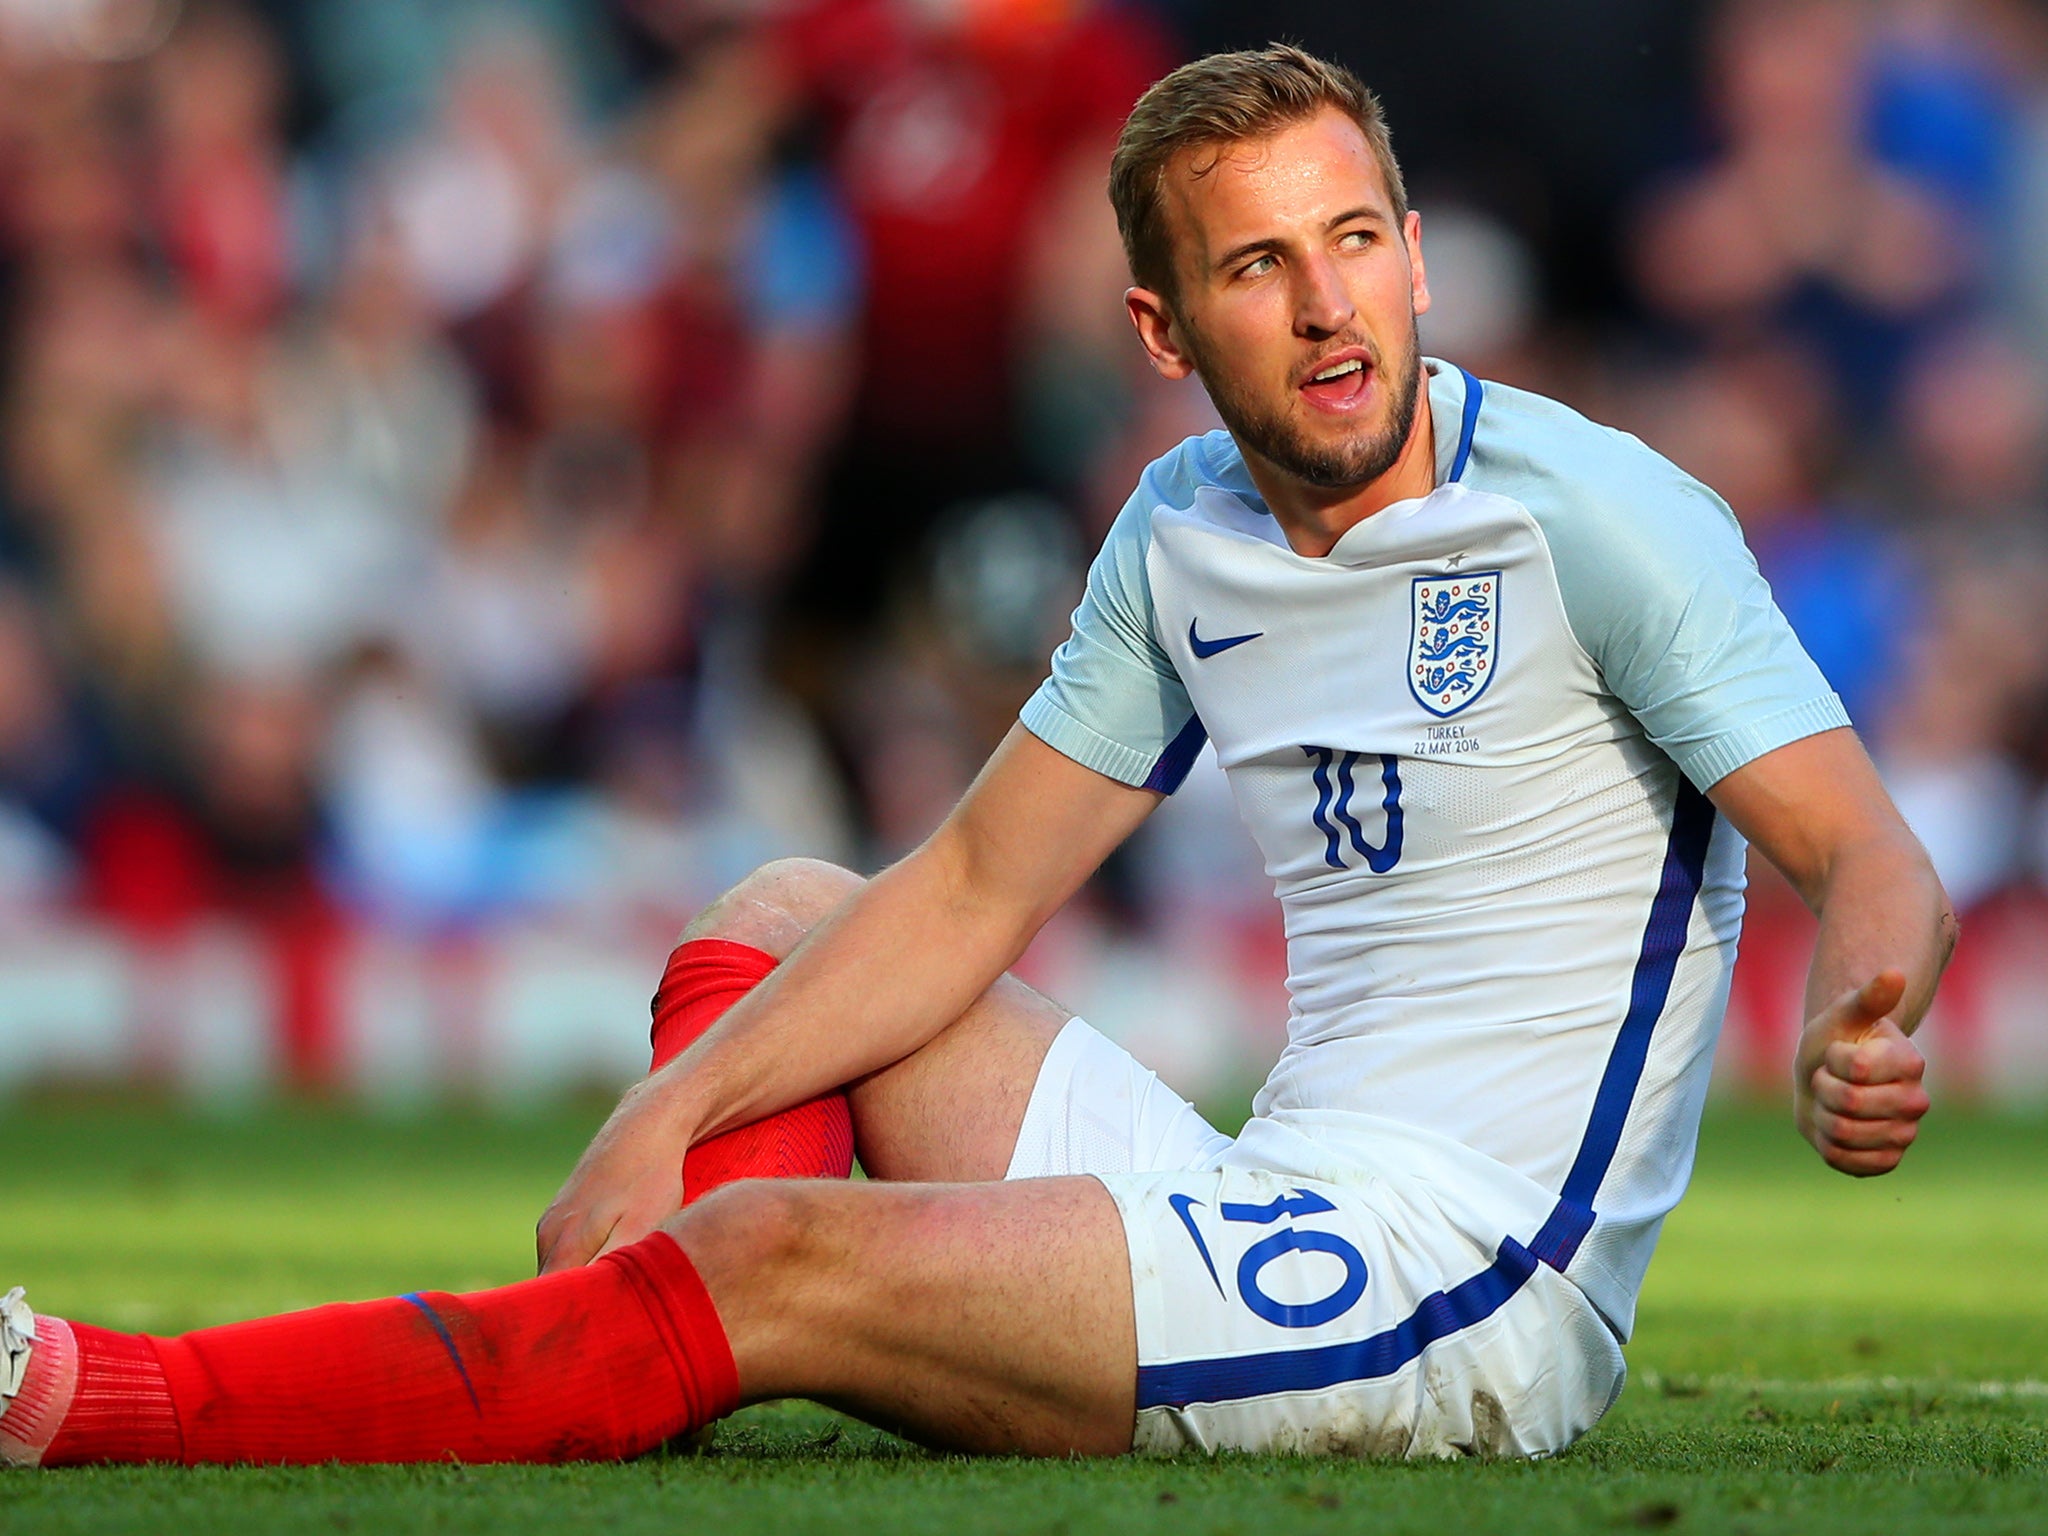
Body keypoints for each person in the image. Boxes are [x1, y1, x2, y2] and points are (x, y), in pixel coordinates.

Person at [0, 45, 1952, 1467]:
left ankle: (98, 1395)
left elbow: (1866, 852)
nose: (1326, 300)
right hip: (1266, 1180)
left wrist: (1860, 1017)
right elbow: (962, 892)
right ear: (1161, 322)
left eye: (1353, 239)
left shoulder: (1596, 514)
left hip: (1461, 1286)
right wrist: (652, 1117)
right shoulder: (1181, 528)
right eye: (1258, 264)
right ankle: (636, 1362)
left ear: (1419, 258)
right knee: (780, 920)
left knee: (769, 1246)